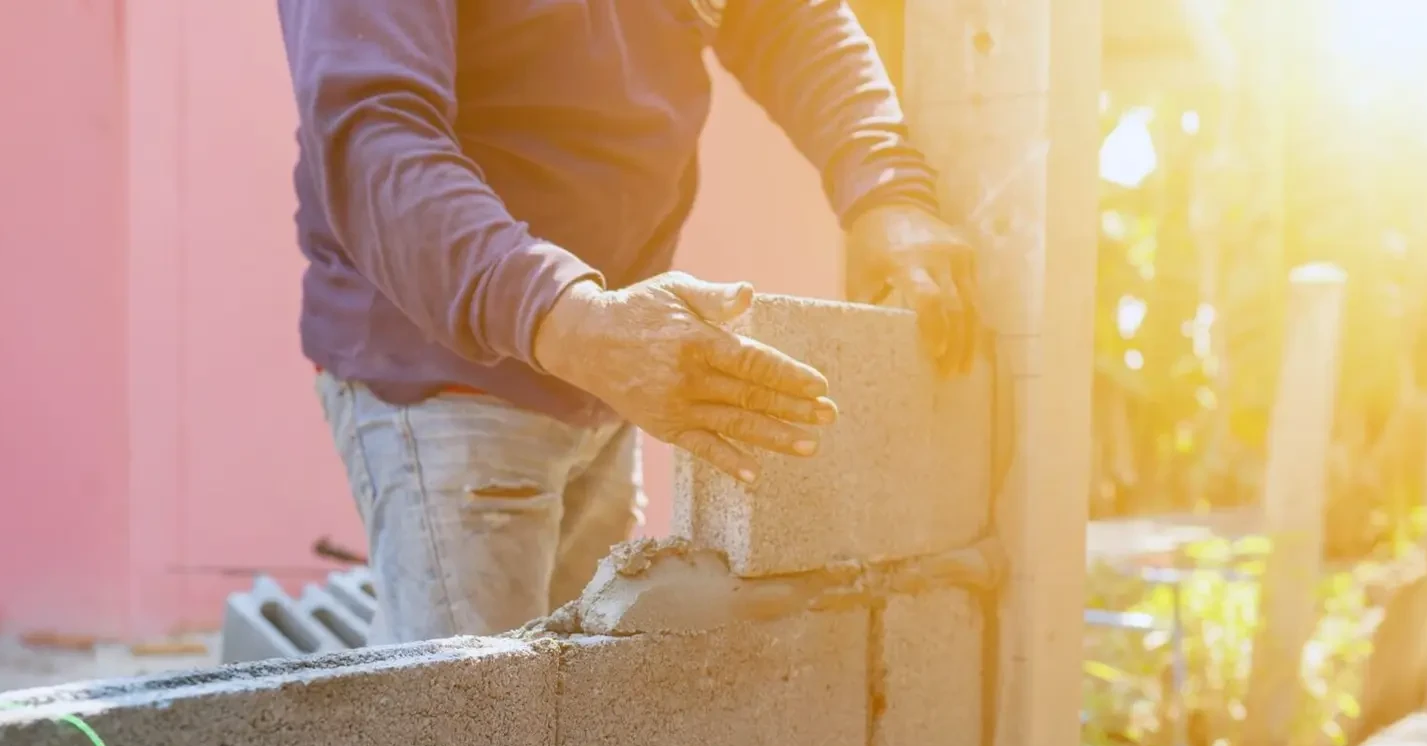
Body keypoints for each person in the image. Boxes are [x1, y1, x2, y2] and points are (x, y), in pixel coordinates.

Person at [278, 0, 978, 643]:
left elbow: (782, 17)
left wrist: (888, 186)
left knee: (577, 725)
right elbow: (374, 134)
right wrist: (568, 318)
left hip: (606, 358)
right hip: (452, 375)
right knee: (466, 745)